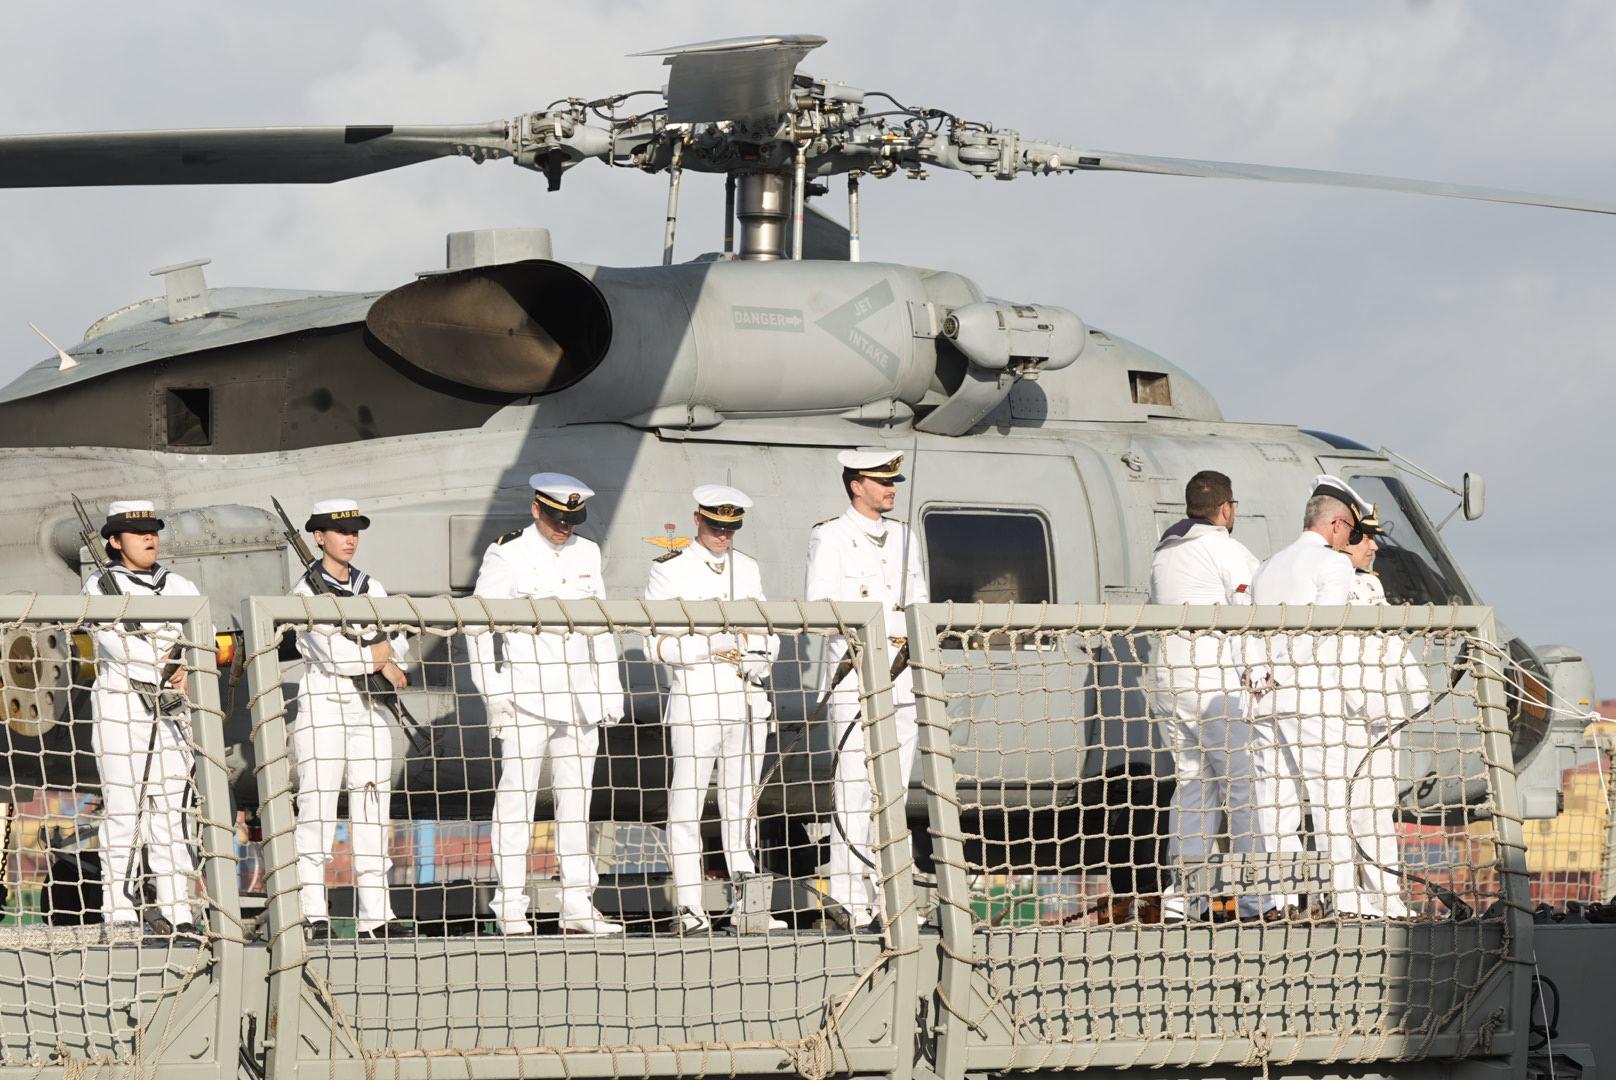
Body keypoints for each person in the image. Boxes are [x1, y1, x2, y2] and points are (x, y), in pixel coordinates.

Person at [468, 473, 625, 936]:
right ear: (537, 509)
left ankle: (577, 903)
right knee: (515, 801)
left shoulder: (587, 552)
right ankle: (510, 906)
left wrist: (608, 689)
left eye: (572, 519)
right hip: (527, 696)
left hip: (578, 700)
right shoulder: (508, 552)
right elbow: (478, 627)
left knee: (577, 803)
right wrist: (493, 694)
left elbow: (600, 626)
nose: (565, 528)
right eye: (558, 518)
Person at [645, 485, 783, 933]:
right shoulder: (671, 570)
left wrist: (762, 654)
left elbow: (766, 630)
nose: (723, 534)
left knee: (742, 804)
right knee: (686, 806)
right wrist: (716, 646)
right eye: (715, 525)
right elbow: (656, 645)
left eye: (730, 527)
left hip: (746, 698)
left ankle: (748, 909)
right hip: (698, 698)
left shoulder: (747, 568)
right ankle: (690, 907)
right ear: (697, 520)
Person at [804, 449, 928, 931]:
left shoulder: (903, 536)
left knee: (892, 793)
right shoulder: (830, 536)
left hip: (902, 674)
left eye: (893, 480)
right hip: (854, 675)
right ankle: (850, 898)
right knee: (853, 789)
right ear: (857, 485)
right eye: (881, 481)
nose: (891, 488)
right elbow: (819, 606)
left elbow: (918, 601)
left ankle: (891, 896)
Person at [1246, 474, 1380, 916]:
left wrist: (1258, 676)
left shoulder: (1267, 565)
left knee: (1275, 803)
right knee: (1328, 798)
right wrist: (1284, 673)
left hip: (1262, 697)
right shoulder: (1334, 564)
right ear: (1338, 525)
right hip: (1309, 694)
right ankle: (1342, 899)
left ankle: (1279, 900)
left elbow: (1245, 629)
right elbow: (1325, 628)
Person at [289, 498, 414, 940]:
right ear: (318, 537)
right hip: (325, 706)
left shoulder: (371, 586)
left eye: (355, 531)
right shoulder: (305, 592)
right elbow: (336, 656)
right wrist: (380, 657)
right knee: (317, 812)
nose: (349, 538)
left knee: (372, 810)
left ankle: (376, 915)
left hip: (370, 708)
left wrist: (378, 657)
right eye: (339, 531)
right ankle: (312, 912)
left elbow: (400, 642)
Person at [1145, 470, 1267, 921]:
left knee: (1192, 790)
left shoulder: (1165, 552)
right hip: (1213, 683)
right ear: (1226, 508)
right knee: (1245, 790)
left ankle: (1184, 899)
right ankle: (1259, 899)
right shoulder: (1226, 549)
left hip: (1169, 680)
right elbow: (1252, 615)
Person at [83, 500, 201, 937]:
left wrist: (182, 662)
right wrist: (166, 663)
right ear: (115, 542)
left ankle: (178, 906)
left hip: (171, 706)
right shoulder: (99, 586)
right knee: (124, 806)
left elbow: (196, 634)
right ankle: (120, 905)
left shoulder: (181, 585)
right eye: (137, 533)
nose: (149, 538)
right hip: (122, 704)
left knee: (171, 807)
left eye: (153, 530)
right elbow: (118, 646)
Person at [1338, 507, 1428, 918]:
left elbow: (1390, 643)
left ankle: (1383, 894)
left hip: (1381, 716)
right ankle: (1351, 894)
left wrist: (1417, 691)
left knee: (1377, 807)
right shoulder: (1333, 586)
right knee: (1345, 808)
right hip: (1345, 715)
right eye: (1363, 538)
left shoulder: (1371, 585)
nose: (1373, 545)